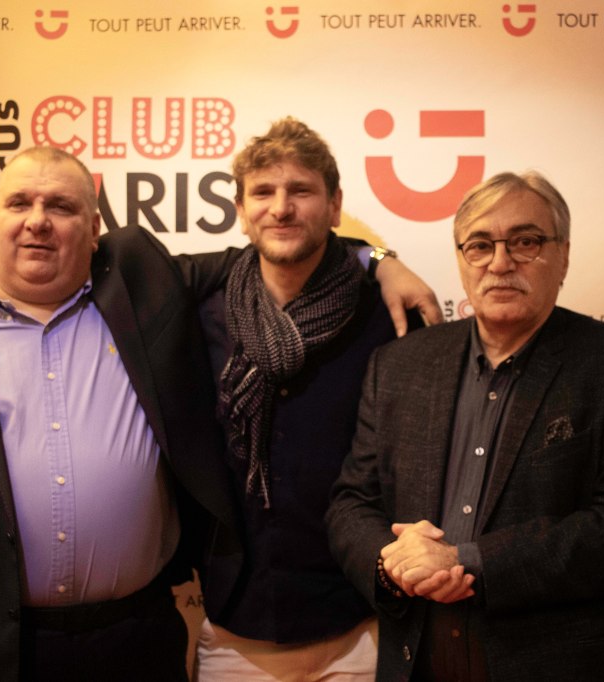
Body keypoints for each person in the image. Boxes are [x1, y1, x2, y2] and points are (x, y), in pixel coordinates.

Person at [0, 145, 436, 682]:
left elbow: (275, 251)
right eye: (19, 202)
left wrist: (377, 258)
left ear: (95, 228)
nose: (38, 220)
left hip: (138, 641)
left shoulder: (142, 297)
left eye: (62, 206)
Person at [327, 170, 604, 680]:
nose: (500, 262)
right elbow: (351, 503)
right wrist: (390, 562)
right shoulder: (399, 365)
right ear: (461, 260)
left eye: (525, 241)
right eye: (479, 245)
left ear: (563, 256)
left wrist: (469, 561)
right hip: (419, 664)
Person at [193, 118, 424, 680]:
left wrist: (380, 259)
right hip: (236, 629)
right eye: (263, 193)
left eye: (301, 190)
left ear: (335, 204)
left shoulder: (390, 314)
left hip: (360, 621)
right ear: (241, 211)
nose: (281, 208)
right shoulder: (201, 311)